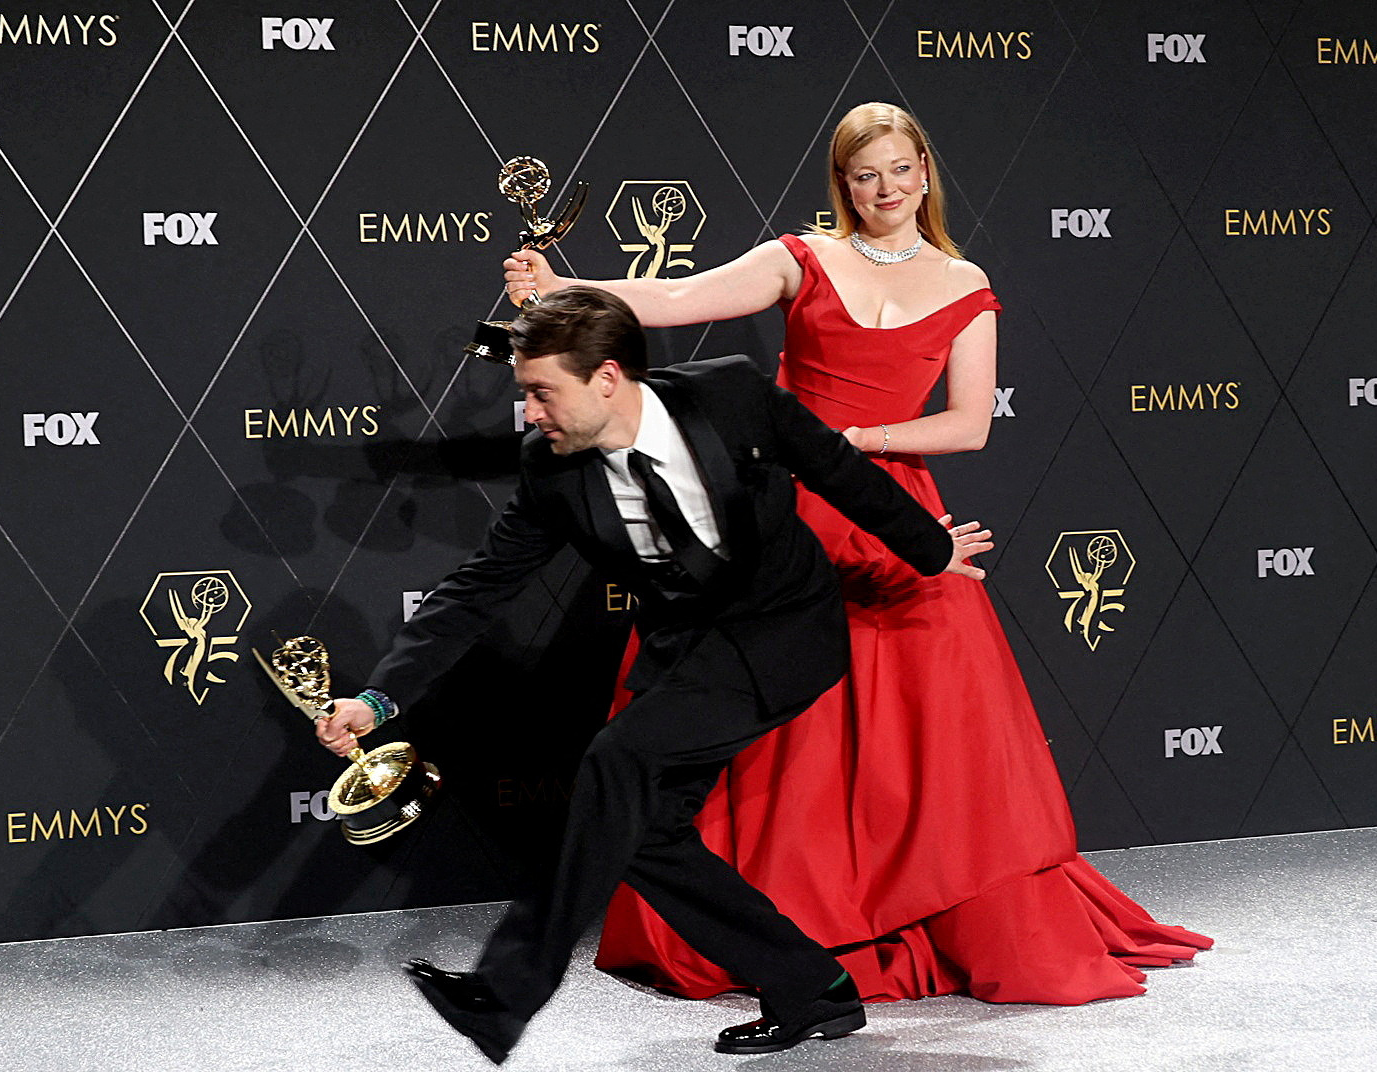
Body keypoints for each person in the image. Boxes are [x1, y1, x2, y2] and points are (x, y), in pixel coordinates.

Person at [501, 102, 1211, 1005]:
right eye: (864, 174)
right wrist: (565, 293)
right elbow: (679, 300)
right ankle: (780, 929)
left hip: (886, 506)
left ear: (925, 172)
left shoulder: (964, 282)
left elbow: (968, 424)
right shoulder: (800, 259)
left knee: (933, 711)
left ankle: (931, 906)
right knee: (765, 720)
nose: (884, 190)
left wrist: (847, 444)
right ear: (843, 182)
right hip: (776, 515)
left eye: (899, 170)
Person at [315, 286, 994, 1064]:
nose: (530, 413)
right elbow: (478, 588)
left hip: (781, 632)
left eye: (543, 393)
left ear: (606, 378)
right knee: (639, 831)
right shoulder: (552, 469)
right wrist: (378, 696)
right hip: (688, 647)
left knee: (617, 762)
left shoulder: (729, 392)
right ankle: (814, 988)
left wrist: (932, 550)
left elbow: (837, 469)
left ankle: (505, 993)